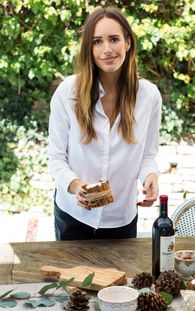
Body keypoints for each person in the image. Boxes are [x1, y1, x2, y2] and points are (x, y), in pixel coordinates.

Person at [48, 7, 162, 240]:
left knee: (121, 278)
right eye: (97, 41)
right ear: (88, 49)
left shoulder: (149, 96)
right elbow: (56, 158)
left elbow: (148, 156)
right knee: (72, 278)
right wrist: (75, 185)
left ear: (127, 43)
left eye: (114, 39)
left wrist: (151, 176)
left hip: (121, 217)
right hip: (73, 215)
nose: (107, 49)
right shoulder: (67, 93)